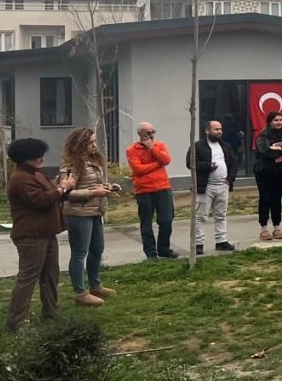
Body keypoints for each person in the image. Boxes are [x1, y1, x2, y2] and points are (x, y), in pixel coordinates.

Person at [6, 138, 76, 331]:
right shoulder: (20, 178)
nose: (41, 158)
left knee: (50, 275)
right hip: (30, 235)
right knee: (28, 279)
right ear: (25, 157)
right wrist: (63, 187)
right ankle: (16, 323)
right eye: (37, 155)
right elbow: (40, 201)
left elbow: (53, 195)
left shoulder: (36, 174)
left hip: (46, 232)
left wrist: (63, 188)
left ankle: (51, 313)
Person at [60, 128, 118, 307]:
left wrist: (107, 187)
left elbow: (92, 184)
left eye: (95, 141)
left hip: (94, 212)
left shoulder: (92, 161)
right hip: (79, 214)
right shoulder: (71, 165)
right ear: (80, 144)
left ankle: (95, 286)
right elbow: (65, 194)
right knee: (79, 253)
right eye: (90, 142)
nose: (95, 145)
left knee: (97, 250)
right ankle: (80, 293)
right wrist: (94, 193)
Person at [127, 121, 177, 259]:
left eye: (153, 132)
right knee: (146, 223)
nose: (152, 135)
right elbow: (138, 169)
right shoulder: (132, 150)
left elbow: (166, 160)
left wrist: (153, 149)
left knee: (166, 220)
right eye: (149, 133)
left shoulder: (159, 145)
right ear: (140, 134)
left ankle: (163, 248)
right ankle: (151, 253)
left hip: (163, 188)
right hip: (144, 191)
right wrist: (157, 164)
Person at [189, 120, 238, 254]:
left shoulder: (225, 146)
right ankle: (198, 243)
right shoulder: (198, 146)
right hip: (205, 186)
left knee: (221, 215)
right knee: (200, 216)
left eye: (220, 129)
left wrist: (230, 178)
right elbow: (190, 163)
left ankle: (221, 241)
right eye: (216, 129)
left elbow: (233, 163)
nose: (219, 131)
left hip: (223, 185)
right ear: (207, 130)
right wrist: (207, 166)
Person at [254, 111, 282, 241]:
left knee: (277, 199)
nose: (279, 122)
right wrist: (279, 151)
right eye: (276, 120)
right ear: (270, 122)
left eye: (280, 120)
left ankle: (277, 226)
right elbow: (265, 151)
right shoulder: (263, 135)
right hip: (264, 172)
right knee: (265, 199)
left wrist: (278, 149)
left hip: (279, 171)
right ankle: (263, 228)